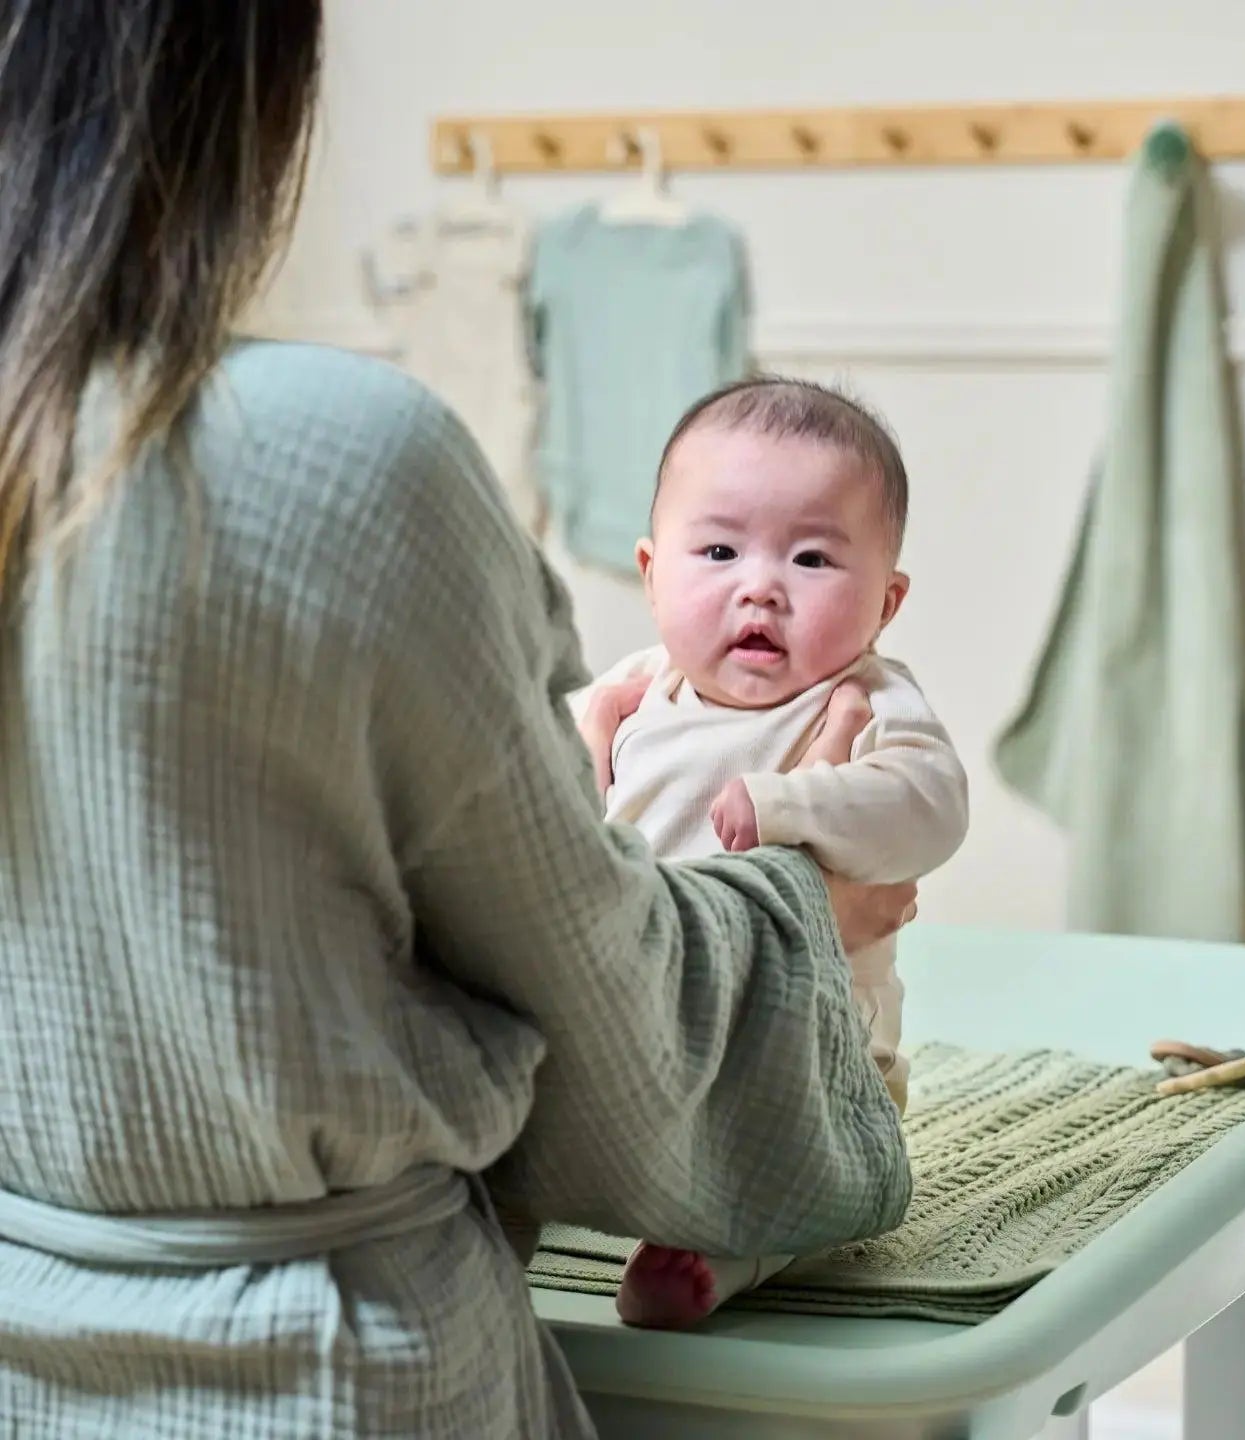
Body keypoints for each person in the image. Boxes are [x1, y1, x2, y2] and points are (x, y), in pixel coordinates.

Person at [0, 6, 917, 1436]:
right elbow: (611, 1061)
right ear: (252, 82)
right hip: (331, 1379)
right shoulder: (339, 465)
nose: (763, 592)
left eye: (810, 558)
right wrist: (807, 910)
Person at [573, 378, 969, 1327]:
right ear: (650, 572)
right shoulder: (635, 690)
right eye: (717, 550)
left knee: (779, 1155)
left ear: (886, 600)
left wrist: (799, 801)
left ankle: (739, 1252)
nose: (760, 585)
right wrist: (586, 753)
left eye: (811, 557)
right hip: (643, 1027)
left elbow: (933, 808)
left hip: (806, 1045)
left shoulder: (866, 699)